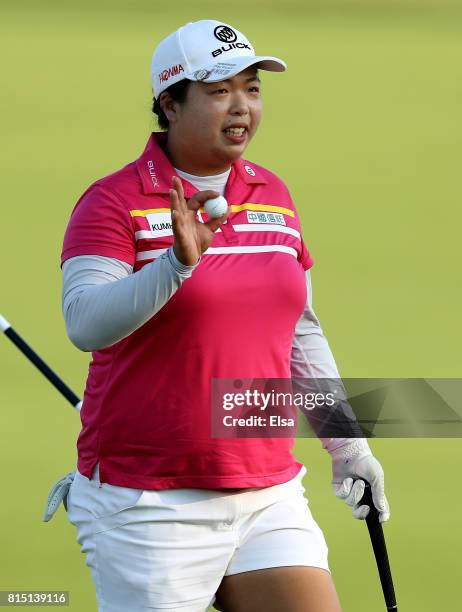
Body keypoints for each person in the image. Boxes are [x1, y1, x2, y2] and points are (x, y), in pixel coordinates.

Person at [52, 19, 390, 612]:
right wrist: (174, 267)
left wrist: (348, 447)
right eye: (218, 90)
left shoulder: (273, 194)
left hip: (267, 493)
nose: (242, 106)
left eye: (252, 88)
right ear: (169, 103)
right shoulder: (112, 201)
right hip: (148, 505)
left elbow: (300, 332)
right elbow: (84, 323)